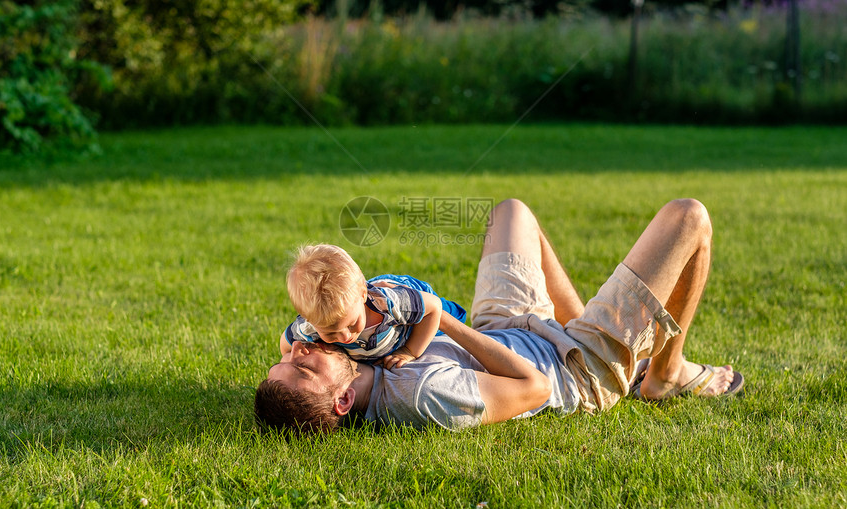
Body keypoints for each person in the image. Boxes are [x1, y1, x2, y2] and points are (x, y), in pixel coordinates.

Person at [256, 199, 744, 434]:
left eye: (290, 356)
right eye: (303, 367)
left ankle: (595, 331)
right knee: (689, 218)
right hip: (573, 371)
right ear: (342, 402)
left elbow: (300, 334)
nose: (300, 349)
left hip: (506, 330)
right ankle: (663, 375)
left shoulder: (342, 349)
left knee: (512, 213)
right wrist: (445, 322)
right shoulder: (422, 396)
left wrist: (303, 353)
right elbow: (536, 389)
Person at [279, 244, 467, 369]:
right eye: (330, 333)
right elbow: (286, 345)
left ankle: (458, 314)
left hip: (406, 293)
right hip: (361, 301)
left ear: (363, 295)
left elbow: (433, 308)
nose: (345, 336)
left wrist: (409, 351)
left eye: (352, 324)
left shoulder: (390, 305)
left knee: (448, 320)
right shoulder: (310, 325)